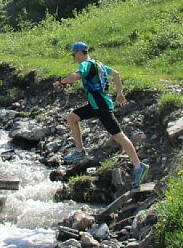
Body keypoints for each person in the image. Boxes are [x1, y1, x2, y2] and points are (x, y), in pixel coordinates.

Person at [53, 42, 150, 187]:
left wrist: (60, 82)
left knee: (119, 136)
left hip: (101, 106)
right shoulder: (97, 64)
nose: (74, 58)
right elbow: (116, 74)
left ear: (80, 53)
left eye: (74, 55)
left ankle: (139, 166)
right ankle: (80, 151)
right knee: (72, 117)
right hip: (95, 105)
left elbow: (75, 77)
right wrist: (119, 94)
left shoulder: (86, 64)